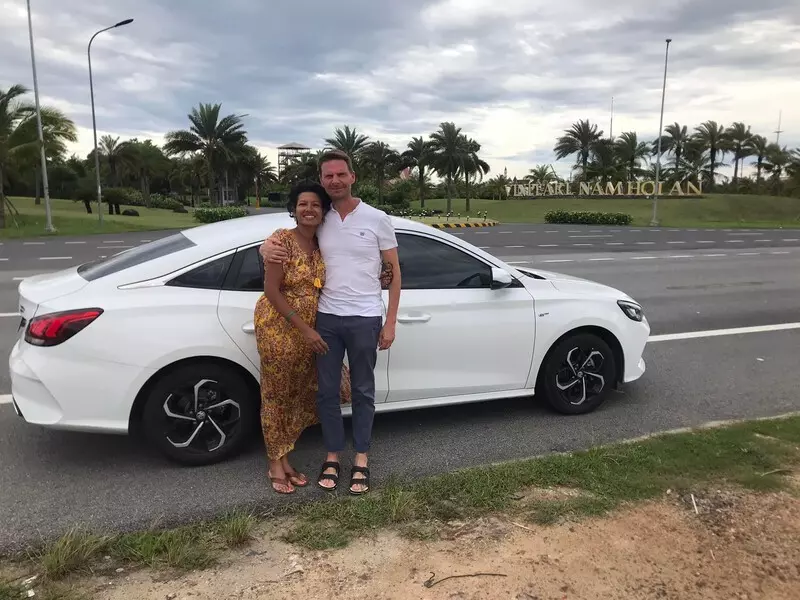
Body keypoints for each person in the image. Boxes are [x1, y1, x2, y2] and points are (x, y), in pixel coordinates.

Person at [260, 150, 402, 495]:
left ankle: (362, 458)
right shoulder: (320, 218)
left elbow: (394, 273)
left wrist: (390, 321)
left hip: (366, 317)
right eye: (328, 176)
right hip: (327, 317)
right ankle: (333, 454)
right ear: (322, 180)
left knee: (363, 391)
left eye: (341, 174)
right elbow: (290, 239)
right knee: (326, 393)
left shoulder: (377, 218)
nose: (335, 181)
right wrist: (264, 247)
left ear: (352, 177)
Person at [255, 181, 353, 494]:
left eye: (315, 205)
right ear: (294, 210)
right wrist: (306, 329)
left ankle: (285, 459)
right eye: (302, 204)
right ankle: (275, 464)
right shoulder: (281, 240)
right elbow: (271, 290)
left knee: (295, 395)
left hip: (311, 330)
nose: (309, 210)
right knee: (276, 396)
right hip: (280, 327)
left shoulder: (322, 243)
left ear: (324, 211)